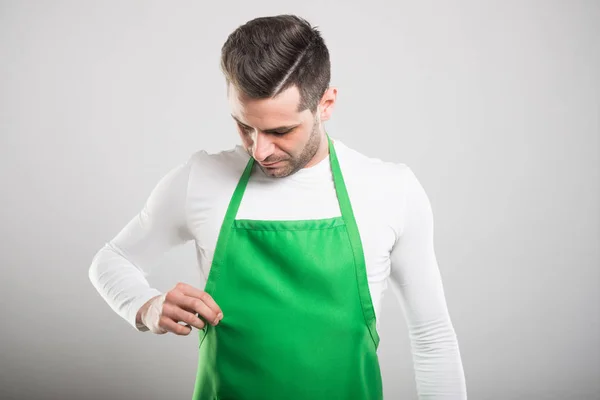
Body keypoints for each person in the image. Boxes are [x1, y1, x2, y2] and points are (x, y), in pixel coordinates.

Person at [89, 14, 467, 400]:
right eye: (244, 126)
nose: (259, 150)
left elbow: (432, 337)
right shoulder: (201, 179)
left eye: (280, 131)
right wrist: (146, 307)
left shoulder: (389, 189)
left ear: (326, 104)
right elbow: (112, 260)